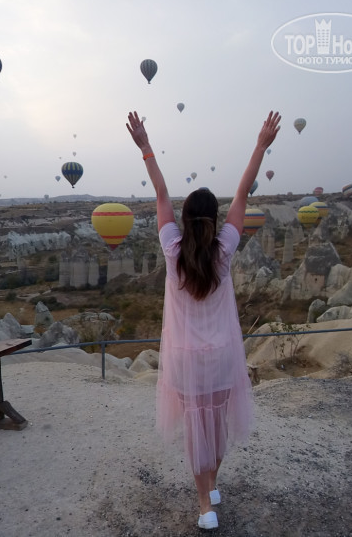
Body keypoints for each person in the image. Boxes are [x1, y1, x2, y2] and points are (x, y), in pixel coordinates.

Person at [126, 110, 281, 530]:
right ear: (215, 220)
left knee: (197, 428)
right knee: (218, 425)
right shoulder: (224, 250)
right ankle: (212, 484)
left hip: (186, 359)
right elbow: (243, 193)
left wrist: (145, 147)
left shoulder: (172, 250)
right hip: (222, 356)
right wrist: (261, 145)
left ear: (185, 218)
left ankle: (204, 505)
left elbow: (160, 193)